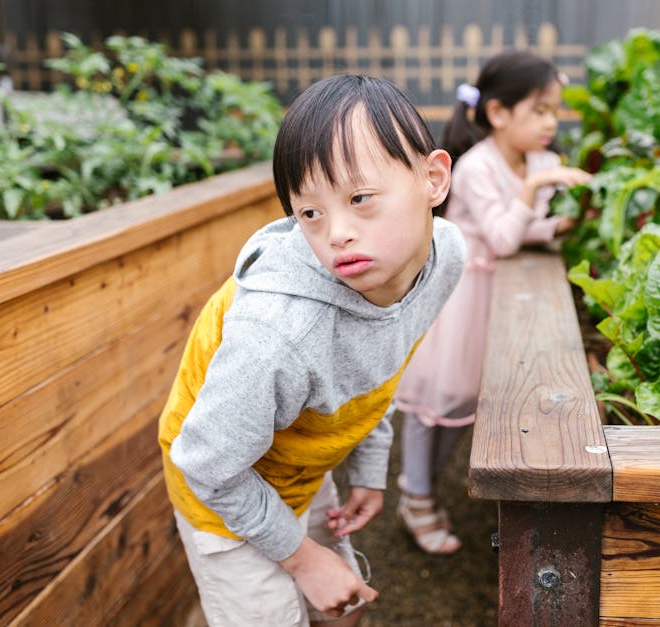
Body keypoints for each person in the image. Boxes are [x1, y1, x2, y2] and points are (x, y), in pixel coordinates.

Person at [158, 73, 466, 626]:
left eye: (360, 198)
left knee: (344, 608)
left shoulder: (446, 259)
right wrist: (303, 560)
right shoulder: (278, 333)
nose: (336, 233)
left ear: (433, 179)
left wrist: (370, 470)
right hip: (220, 478)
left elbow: (379, 361)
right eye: (310, 213)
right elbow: (207, 464)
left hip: (292, 452)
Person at [393, 50, 593, 555]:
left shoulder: (537, 162)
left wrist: (558, 225)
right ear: (499, 113)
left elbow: (524, 231)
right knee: (432, 401)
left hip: (492, 301)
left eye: (554, 110)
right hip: (459, 299)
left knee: (461, 403)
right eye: (539, 110)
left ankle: (423, 493)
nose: (552, 122)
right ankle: (415, 497)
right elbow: (503, 238)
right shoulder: (478, 166)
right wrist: (533, 188)